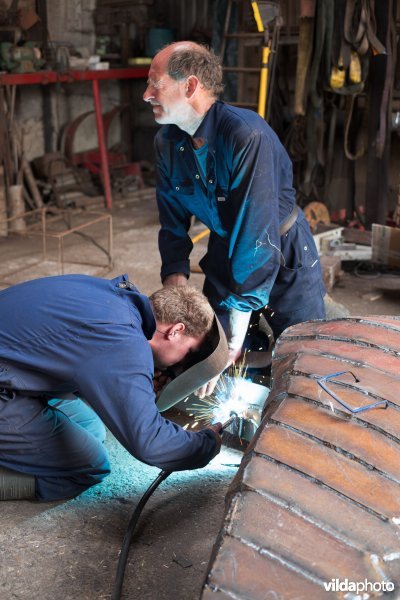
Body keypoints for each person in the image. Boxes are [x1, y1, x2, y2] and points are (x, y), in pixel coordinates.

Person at [143, 41, 326, 394]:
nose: (146, 94)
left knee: (303, 355)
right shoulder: (166, 142)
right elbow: (172, 222)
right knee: (211, 355)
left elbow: (254, 236)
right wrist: (176, 295)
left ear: (191, 86)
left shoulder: (245, 135)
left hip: (281, 249)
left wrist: (233, 341)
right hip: (227, 249)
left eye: (155, 83)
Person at [0, 274, 223, 502]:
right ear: (175, 331)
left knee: (91, 428)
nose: (180, 366)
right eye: (189, 354)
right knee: (88, 466)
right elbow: (149, 442)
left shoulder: (117, 299)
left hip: (12, 371)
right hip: (5, 386)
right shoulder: (124, 342)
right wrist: (206, 444)